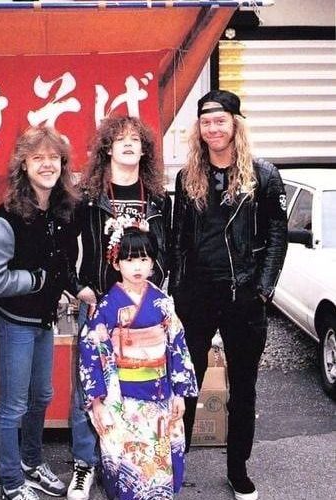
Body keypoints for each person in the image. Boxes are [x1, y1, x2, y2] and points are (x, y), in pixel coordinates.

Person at [169, 90, 288, 500]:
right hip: (197, 295)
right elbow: (178, 238)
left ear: (235, 124)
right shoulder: (188, 177)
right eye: (206, 122)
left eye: (220, 121)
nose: (212, 129)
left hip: (245, 296)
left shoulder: (263, 176)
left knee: (243, 388)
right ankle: (175, 464)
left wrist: (264, 289)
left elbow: (277, 236)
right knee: (187, 383)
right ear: (198, 129)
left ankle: (238, 470)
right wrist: (176, 290)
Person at [0, 126, 82, 500]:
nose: (47, 165)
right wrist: (32, 280)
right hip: (16, 321)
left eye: (53, 158)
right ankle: (11, 480)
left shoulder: (61, 209)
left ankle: (32, 462)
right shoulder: (8, 218)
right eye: (38, 158)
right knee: (13, 405)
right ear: (23, 165)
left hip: (44, 320)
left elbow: (62, 263)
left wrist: (73, 288)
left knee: (42, 396)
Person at [68, 115, 172, 500]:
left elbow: (170, 249)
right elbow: (63, 247)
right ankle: (84, 463)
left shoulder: (158, 198)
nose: (128, 145)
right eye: (120, 139)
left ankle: (129, 459)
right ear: (107, 149)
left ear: (144, 150)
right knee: (90, 384)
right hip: (101, 305)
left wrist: (158, 292)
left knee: (137, 387)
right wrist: (77, 287)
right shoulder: (88, 197)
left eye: (135, 140)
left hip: (143, 311)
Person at [79, 224, 198, 500]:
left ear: (153, 263)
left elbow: (177, 346)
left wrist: (179, 393)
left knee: (158, 463)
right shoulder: (106, 306)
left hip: (160, 395)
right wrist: (97, 401)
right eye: (130, 259)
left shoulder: (162, 303)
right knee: (128, 465)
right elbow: (91, 353)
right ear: (116, 263)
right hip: (122, 399)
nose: (137, 266)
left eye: (144, 259)